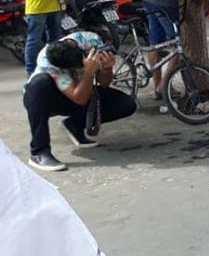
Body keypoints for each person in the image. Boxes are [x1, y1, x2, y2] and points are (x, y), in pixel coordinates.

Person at [22, 32, 137, 171]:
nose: (77, 70)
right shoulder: (48, 59)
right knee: (40, 83)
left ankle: (74, 125)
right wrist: (88, 72)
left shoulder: (91, 41)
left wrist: (107, 68)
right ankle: (39, 152)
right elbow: (79, 99)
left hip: (80, 89)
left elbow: (104, 83)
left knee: (126, 104)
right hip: (48, 99)